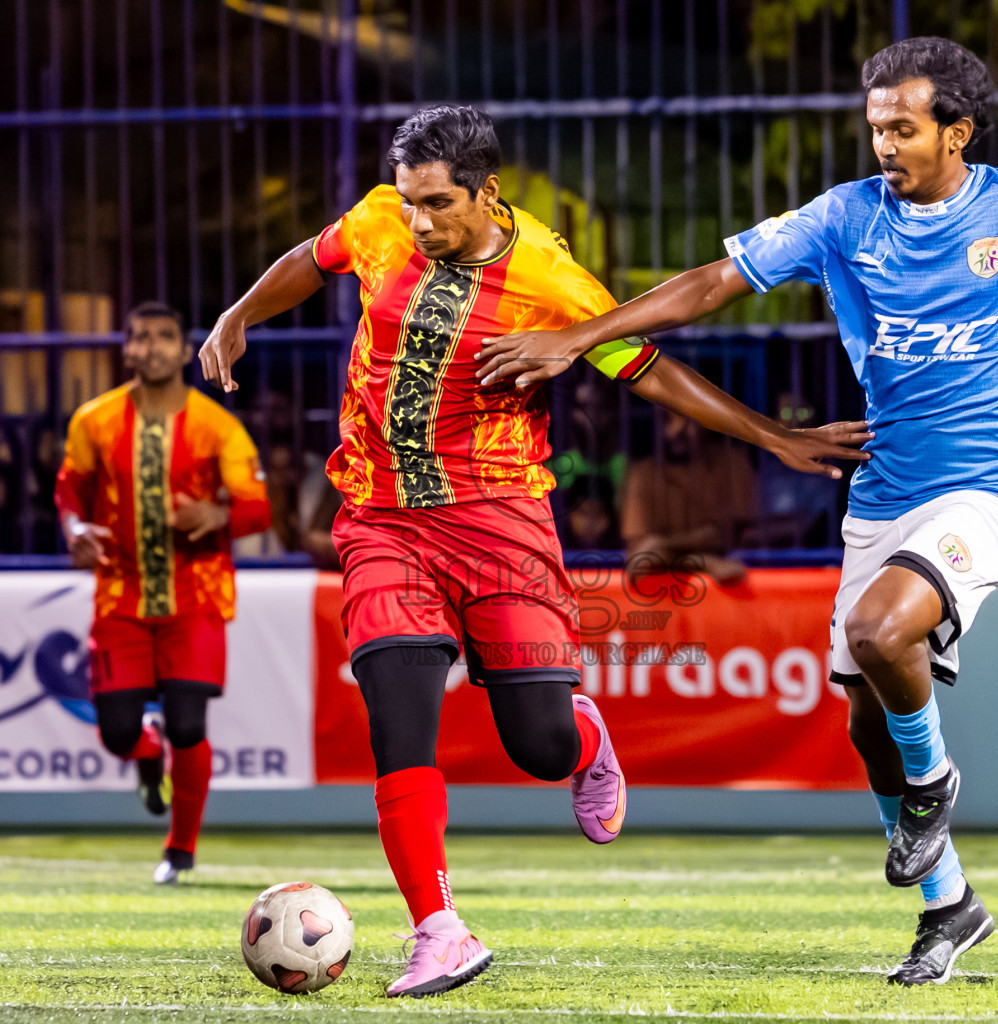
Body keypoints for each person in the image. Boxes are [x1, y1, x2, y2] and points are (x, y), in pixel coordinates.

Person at [475, 37, 998, 986]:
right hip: (888, 488)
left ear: (957, 132)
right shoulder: (845, 218)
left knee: (882, 630)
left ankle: (935, 787)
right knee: (863, 722)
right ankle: (951, 908)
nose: (884, 143)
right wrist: (581, 336)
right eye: (875, 127)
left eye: (903, 128)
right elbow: (713, 286)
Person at [198, 104, 870, 998]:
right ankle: (439, 928)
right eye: (409, 203)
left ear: (487, 191)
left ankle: (585, 739)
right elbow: (309, 261)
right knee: (398, 721)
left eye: (437, 204)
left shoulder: (550, 277)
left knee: (538, 744)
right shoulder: (379, 222)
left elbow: (650, 369)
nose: (419, 222)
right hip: (382, 517)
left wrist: (771, 435)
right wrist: (241, 312)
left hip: (501, 521)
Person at [55, 301, 271, 885]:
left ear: (182, 351)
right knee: (118, 731)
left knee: (188, 725)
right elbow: (68, 492)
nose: (150, 347)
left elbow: (257, 508)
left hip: (195, 595)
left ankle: (180, 849)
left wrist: (217, 511)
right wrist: (75, 531)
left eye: (163, 337)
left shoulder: (216, 425)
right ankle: (145, 756)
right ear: (126, 350)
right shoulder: (93, 421)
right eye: (139, 336)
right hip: (120, 595)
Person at [622, 408, 756, 584]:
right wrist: (706, 562)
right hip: (675, 585)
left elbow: (727, 536)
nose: (678, 429)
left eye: (687, 420)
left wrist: (661, 544)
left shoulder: (733, 462)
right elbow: (640, 557)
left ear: (707, 423)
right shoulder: (643, 473)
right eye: (668, 420)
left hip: (725, 567)